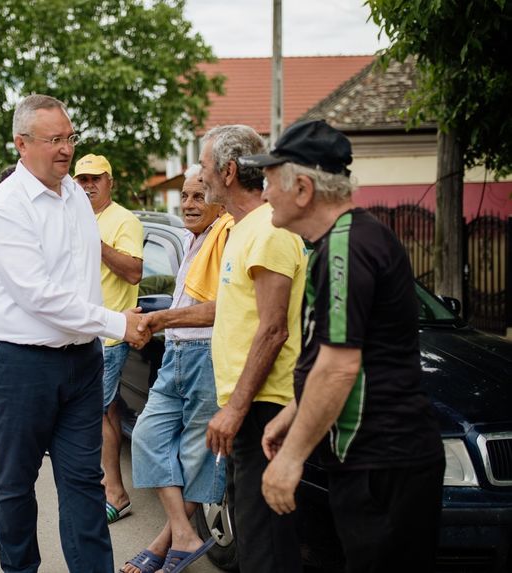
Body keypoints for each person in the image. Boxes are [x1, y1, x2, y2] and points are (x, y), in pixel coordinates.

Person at [247, 120, 444, 573]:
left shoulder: (345, 248)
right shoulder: (346, 240)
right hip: (382, 462)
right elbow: (343, 356)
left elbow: (339, 369)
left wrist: (291, 459)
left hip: (383, 463)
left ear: (302, 188)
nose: (263, 195)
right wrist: (294, 412)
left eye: (270, 182)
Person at [0, 94, 150, 573]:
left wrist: (104, 331)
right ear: (21, 144)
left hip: (81, 362)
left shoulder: (74, 195)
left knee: (84, 484)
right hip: (16, 365)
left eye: (70, 137)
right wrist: (119, 324)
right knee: (15, 485)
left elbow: (82, 280)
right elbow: (40, 296)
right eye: (54, 140)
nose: (66, 149)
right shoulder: (5, 206)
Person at [200, 125, 307, 573]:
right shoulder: (242, 228)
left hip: (266, 406)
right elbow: (235, 313)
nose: (199, 175)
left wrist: (235, 408)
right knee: (254, 535)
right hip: (249, 406)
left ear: (227, 171)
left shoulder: (269, 229)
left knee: (266, 545)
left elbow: (272, 330)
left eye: (205, 167)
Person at [121, 166, 231, 573]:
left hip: (207, 354)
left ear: (219, 197)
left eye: (199, 196)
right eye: (184, 196)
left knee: (192, 456)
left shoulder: (230, 235)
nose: (188, 204)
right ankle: (183, 536)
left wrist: (161, 319)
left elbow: (226, 309)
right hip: (176, 355)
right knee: (147, 436)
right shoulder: (191, 239)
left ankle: (168, 540)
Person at [73, 153, 143, 525]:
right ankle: (108, 489)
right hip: (85, 333)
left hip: (111, 335)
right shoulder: (79, 218)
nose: (87, 186)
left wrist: (95, 242)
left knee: (95, 415)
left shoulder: (123, 219)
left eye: (94, 179)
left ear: (109, 182)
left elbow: (134, 272)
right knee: (107, 412)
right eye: (81, 180)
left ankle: (115, 493)